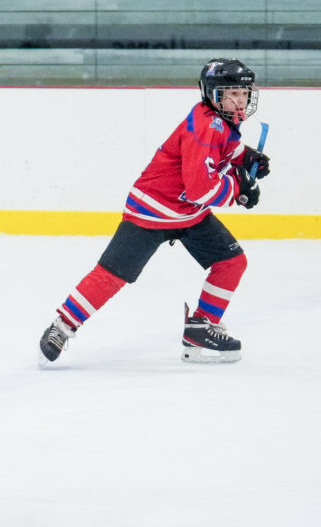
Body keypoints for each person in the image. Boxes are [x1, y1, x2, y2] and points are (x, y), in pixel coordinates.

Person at [38, 58, 270, 364]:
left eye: (243, 94)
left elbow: (223, 146)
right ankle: (62, 326)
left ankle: (199, 328)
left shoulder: (220, 121)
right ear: (213, 94)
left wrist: (244, 156)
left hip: (188, 213)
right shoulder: (206, 126)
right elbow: (201, 188)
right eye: (232, 93)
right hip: (153, 211)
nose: (240, 100)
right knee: (111, 275)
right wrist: (237, 190)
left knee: (231, 262)